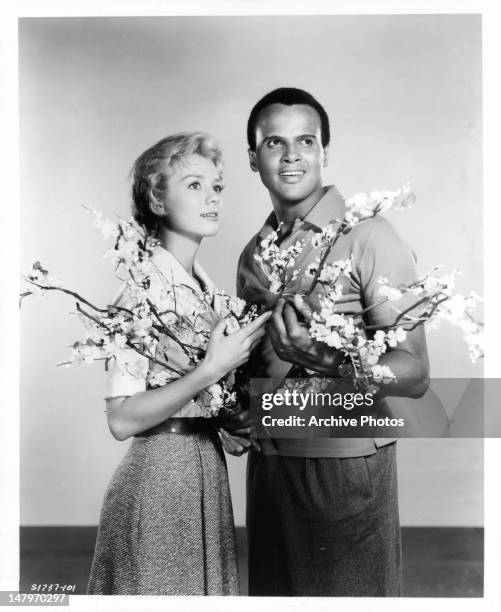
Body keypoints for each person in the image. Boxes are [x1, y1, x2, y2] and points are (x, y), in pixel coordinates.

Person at [224, 88, 430, 596]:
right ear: (253, 158)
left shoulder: (369, 235)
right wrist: (239, 406)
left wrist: (324, 358)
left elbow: (416, 373)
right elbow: (256, 366)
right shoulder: (253, 253)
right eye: (275, 142)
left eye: (306, 141)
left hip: (344, 466)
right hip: (270, 467)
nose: (292, 155)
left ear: (324, 152)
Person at [87, 132, 271, 596]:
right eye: (193, 185)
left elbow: (202, 403)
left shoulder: (210, 295)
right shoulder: (140, 291)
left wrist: (233, 420)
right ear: (157, 198)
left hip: (205, 474)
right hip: (157, 484)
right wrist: (211, 370)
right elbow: (122, 418)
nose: (211, 198)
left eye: (217, 187)